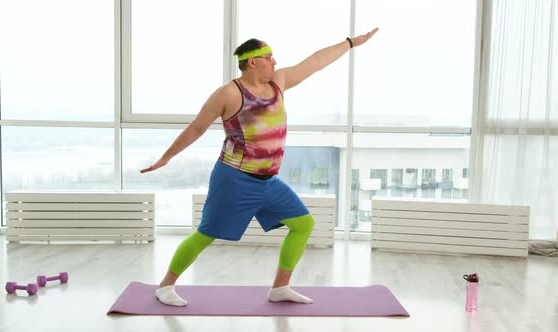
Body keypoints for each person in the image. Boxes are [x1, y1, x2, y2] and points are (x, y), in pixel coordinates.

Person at [140, 28, 379, 306]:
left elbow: (315, 62)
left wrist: (350, 43)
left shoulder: (279, 82)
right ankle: (165, 286)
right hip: (234, 179)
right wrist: (166, 158)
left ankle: (280, 288)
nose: (275, 62)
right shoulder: (228, 93)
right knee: (206, 234)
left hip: (268, 181)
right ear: (252, 61)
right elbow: (196, 128)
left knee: (303, 223)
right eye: (269, 57)